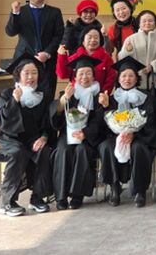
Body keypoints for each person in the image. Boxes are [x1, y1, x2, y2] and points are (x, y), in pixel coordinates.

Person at [0, 54, 53, 216]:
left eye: (34, 73)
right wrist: (14, 101)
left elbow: (47, 122)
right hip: (10, 139)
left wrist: (44, 137)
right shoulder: (7, 94)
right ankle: (8, 202)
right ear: (18, 75)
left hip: (33, 138)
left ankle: (37, 198)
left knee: (44, 151)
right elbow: (2, 122)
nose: (30, 77)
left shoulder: (43, 96)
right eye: (26, 73)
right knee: (18, 152)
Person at [99, 56, 156, 208]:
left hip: (141, 136)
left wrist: (134, 134)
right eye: (124, 76)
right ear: (119, 78)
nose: (127, 79)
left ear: (136, 78)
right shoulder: (112, 97)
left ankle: (139, 191)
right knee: (106, 146)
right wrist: (106, 107)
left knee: (139, 148)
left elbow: (150, 120)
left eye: (131, 76)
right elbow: (107, 120)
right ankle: (115, 188)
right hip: (116, 136)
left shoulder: (146, 96)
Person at [50, 56, 106, 210]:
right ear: (75, 76)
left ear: (93, 76)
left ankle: (77, 195)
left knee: (82, 151)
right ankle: (61, 196)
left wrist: (85, 133)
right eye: (81, 73)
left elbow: (100, 120)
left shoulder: (99, 95)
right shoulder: (68, 93)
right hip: (67, 135)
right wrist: (63, 101)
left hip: (88, 137)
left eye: (88, 73)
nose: (84, 77)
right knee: (63, 150)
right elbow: (56, 120)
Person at [5, 0, 64, 101]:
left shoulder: (55, 12)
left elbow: (59, 35)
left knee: (47, 96)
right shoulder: (20, 11)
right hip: (24, 60)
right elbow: (10, 32)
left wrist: (47, 53)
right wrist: (15, 13)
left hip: (47, 62)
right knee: (22, 97)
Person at [56, 25, 116, 93]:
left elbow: (110, 79)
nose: (93, 40)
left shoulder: (107, 59)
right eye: (89, 37)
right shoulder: (75, 57)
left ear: (100, 41)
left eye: (96, 37)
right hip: (76, 95)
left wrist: (102, 94)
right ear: (83, 41)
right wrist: (61, 56)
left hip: (98, 96)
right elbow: (63, 75)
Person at [118, 10, 156, 89]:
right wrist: (127, 51)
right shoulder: (131, 39)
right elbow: (122, 59)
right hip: (135, 82)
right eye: (144, 21)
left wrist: (153, 66)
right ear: (139, 24)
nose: (147, 23)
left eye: (150, 21)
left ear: (155, 24)